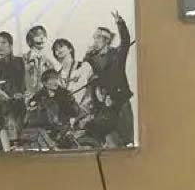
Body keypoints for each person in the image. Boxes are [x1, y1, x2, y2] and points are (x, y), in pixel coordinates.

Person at [84, 12, 134, 146]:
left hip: (120, 102)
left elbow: (126, 41)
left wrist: (120, 23)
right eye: (94, 37)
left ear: (106, 40)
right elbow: (92, 80)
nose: (95, 40)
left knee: (125, 140)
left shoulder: (117, 54)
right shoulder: (92, 58)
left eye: (98, 37)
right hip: (104, 105)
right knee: (106, 138)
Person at [0, 31, 27, 141]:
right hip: (2, 108)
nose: (0, 46)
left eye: (3, 43)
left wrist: (21, 94)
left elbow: (28, 82)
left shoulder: (21, 61)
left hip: (21, 105)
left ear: (11, 45)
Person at [27, 68, 79, 139]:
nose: (55, 82)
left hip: (61, 129)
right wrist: (33, 104)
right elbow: (31, 108)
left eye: (56, 79)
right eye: (52, 79)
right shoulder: (39, 95)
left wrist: (68, 102)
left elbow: (75, 112)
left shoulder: (65, 94)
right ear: (45, 83)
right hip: (43, 129)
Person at [53, 37, 94, 113]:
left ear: (70, 49)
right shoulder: (57, 76)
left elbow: (85, 90)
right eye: (55, 49)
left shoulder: (84, 66)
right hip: (67, 113)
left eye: (61, 46)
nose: (58, 50)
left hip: (85, 112)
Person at [23, 25, 60, 95]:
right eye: (37, 35)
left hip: (46, 92)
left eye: (43, 35)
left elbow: (57, 72)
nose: (41, 38)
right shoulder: (25, 57)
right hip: (30, 92)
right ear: (30, 40)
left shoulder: (48, 58)